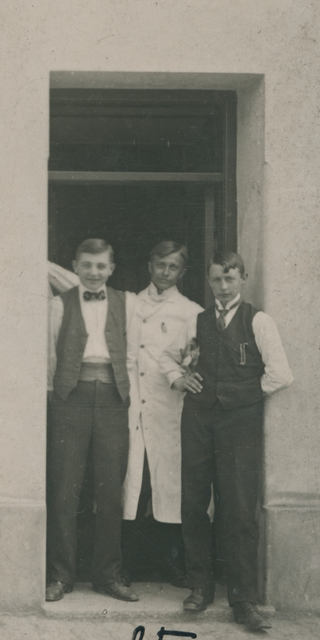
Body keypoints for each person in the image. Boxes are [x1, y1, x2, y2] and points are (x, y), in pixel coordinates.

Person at [161, 251, 293, 631]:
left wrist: (240, 396)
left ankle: (243, 600)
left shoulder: (258, 320)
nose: (223, 286)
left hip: (239, 422)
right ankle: (200, 587)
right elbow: (167, 357)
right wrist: (179, 379)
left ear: (243, 279)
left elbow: (281, 374)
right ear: (208, 280)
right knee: (194, 502)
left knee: (238, 506)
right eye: (217, 279)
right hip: (198, 420)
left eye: (230, 279)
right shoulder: (196, 320)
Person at [46, 238, 137, 603]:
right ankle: (60, 576)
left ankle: (108, 576)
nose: (94, 272)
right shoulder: (58, 305)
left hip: (113, 398)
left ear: (111, 269)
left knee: (110, 491)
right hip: (72, 397)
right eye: (86, 265)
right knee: (64, 489)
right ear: (75, 267)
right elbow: (49, 358)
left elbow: (133, 354)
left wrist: (126, 397)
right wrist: (55, 398)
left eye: (101, 266)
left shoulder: (127, 303)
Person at [121, 242, 203, 586]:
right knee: (133, 484)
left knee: (168, 486)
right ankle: (125, 564)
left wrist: (184, 375)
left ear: (182, 272)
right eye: (160, 265)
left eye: (173, 267)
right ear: (149, 265)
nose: (165, 272)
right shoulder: (130, 303)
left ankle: (170, 563)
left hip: (168, 409)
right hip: (132, 406)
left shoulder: (191, 311)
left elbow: (195, 359)